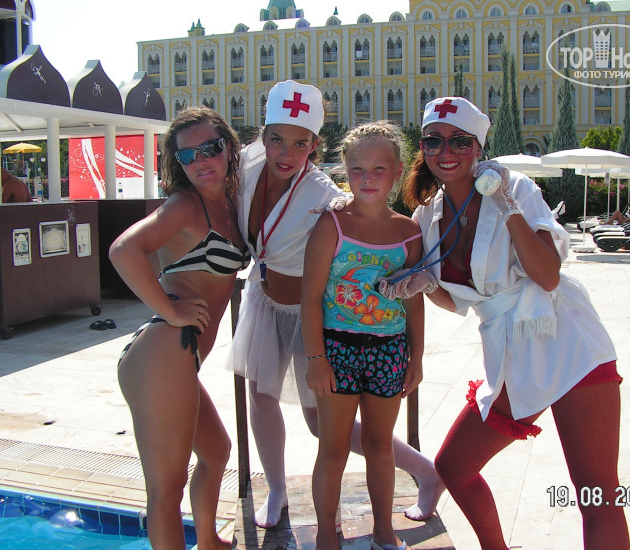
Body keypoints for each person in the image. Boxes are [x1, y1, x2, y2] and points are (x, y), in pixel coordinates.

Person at [400, 97, 630, 550]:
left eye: (460, 141)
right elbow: (461, 300)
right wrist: (423, 285)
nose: (446, 151)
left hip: (568, 341)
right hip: (510, 353)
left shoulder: (515, 187)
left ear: (479, 147)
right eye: (433, 141)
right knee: (453, 467)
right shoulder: (426, 217)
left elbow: (547, 276)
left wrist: (506, 206)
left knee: (597, 493)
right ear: (422, 147)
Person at [229, 80, 443, 529]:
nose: (286, 153)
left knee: (319, 423)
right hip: (264, 299)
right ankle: (276, 489)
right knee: (260, 396)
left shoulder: (324, 195)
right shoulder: (246, 167)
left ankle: (424, 470)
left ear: (315, 145)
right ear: (262, 136)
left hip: (316, 316)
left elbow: (359, 211)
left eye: (300, 143)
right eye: (276, 139)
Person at [110, 106, 249, 550]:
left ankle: (207, 542)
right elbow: (123, 250)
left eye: (209, 148)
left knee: (217, 452)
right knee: (165, 491)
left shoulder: (229, 203)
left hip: (180, 360)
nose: (200, 160)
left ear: (228, 147)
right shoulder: (184, 205)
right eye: (187, 155)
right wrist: (170, 311)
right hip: (162, 353)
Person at [301, 121, 426, 550]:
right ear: (345, 169)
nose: (367, 178)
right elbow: (310, 296)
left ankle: (383, 530)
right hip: (337, 350)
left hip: (390, 351)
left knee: (379, 445)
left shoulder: (408, 232)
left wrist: (416, 356)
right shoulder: (331, 225)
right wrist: (316, 359)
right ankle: (325, 533)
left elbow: (413, 300)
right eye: (357, 169)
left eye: (378, 169)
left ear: (397, 171)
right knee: (333, 449)